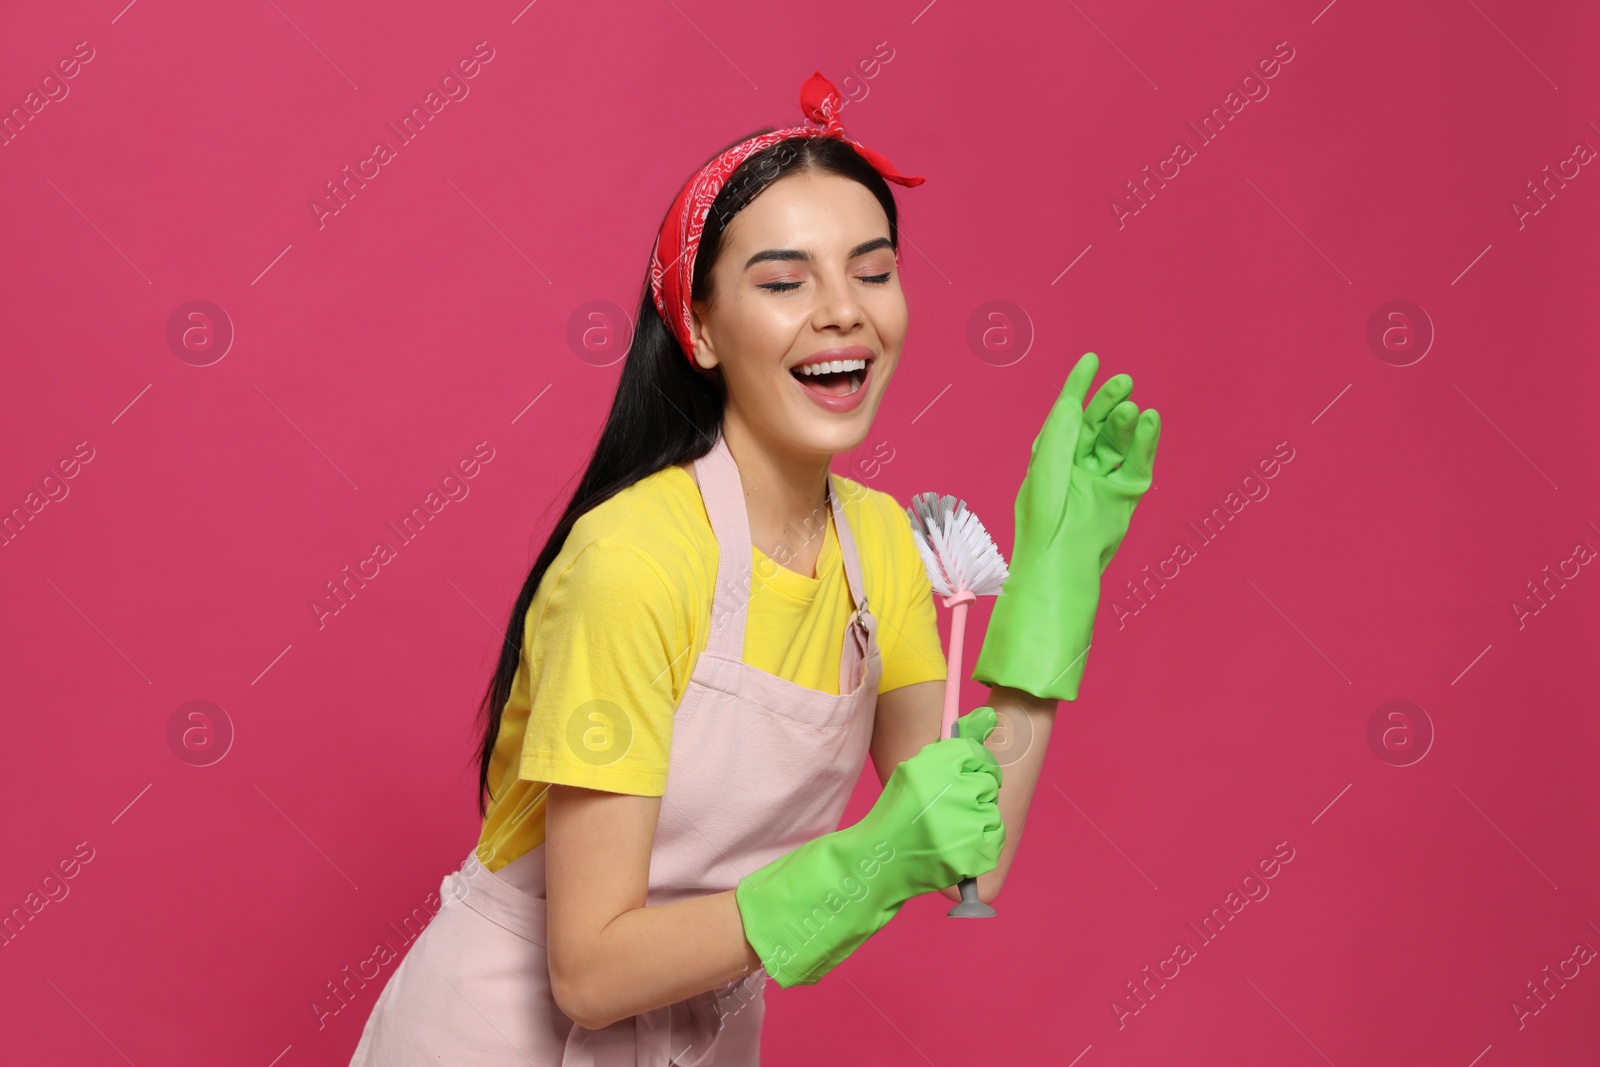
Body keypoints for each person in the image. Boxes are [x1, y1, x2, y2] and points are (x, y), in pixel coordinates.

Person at [348, 70, 1159, 1066]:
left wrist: (1051, 591)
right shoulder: (632, 559)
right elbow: (590, 973)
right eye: (784, 282)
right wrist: (853, 866)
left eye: (871, 271)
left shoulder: (882, 552)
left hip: (700, 1037)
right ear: (697, 327)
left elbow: (963, 859)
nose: (841, 312)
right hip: (496, 1039)